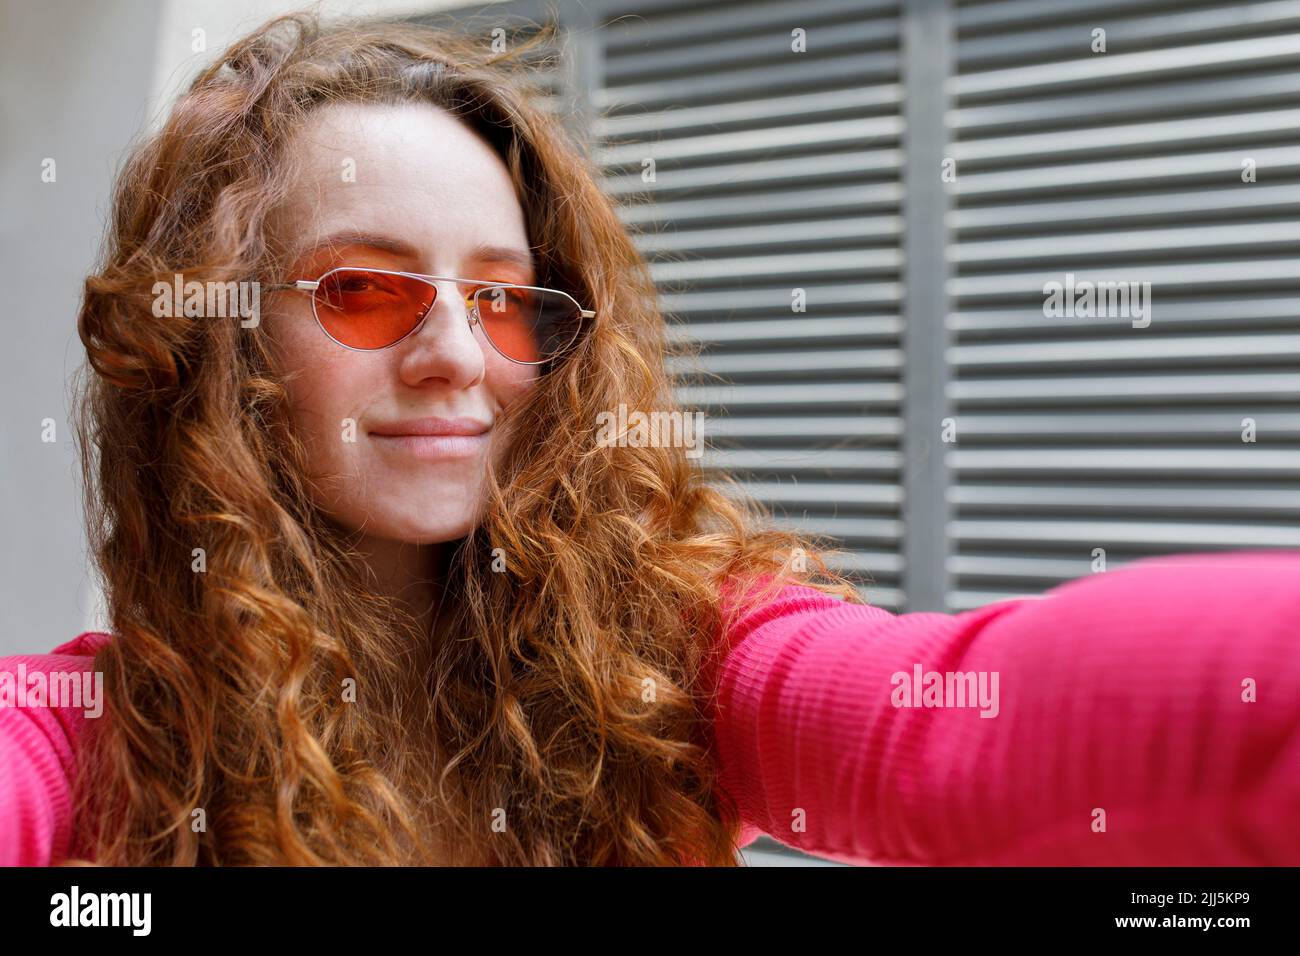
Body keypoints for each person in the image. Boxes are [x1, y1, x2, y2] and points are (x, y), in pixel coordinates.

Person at [1, 13, 1297, 867]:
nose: (459, 351)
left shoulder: (661, 667)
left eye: (505, 299)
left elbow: (953, 733)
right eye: (365, 289)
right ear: (228, 348)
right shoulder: (93, 746)